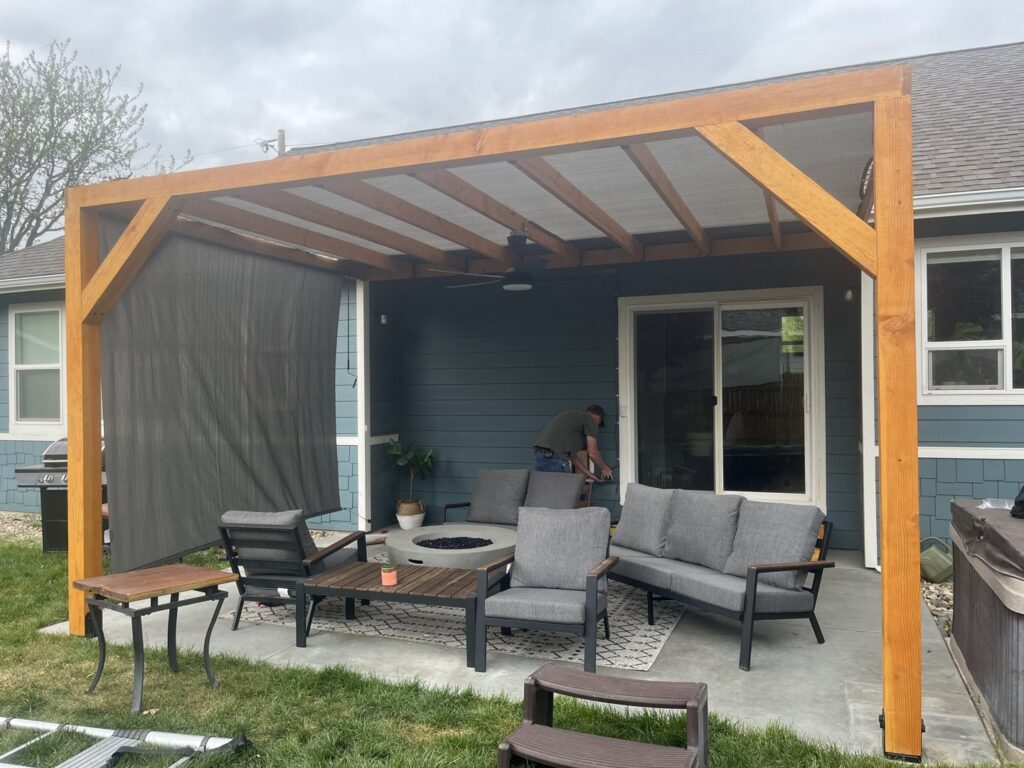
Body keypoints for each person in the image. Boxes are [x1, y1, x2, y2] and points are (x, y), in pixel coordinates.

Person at [533, 405, 614, 481]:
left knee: (545, 490)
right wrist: (605, 468)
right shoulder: (591, 420)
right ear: (599, 417)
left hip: (540, 454)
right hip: (554, 457)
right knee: (565, 491)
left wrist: (590, 474)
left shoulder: (573, 419)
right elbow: (592, 452)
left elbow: (572, 457)